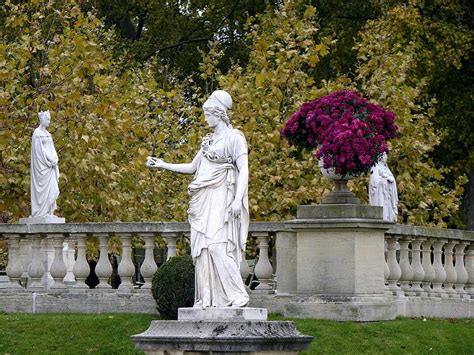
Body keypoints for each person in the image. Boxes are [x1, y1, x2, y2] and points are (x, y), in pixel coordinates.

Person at [146, 90, 249, 308]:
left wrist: (238, 200)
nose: (205, 119)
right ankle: (208, 299)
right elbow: (192, 168)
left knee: (217, 246)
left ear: (218, 113)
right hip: (203, 198)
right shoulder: (208, 142)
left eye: (207, 114)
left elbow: (244, 170)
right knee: (203, 250)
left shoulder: (234, 138)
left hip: (222, 195)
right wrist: (163, 164)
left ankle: (237, 294)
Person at [30, 110, 60, 218]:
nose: (49, 122)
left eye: (49, 120)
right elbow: (39, 152)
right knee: (42, 190)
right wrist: (49, 160)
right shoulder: (37, 134)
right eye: (47, 119)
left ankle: (49, 212)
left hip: (51, 166)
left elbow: (52, 148)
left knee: (52, 188)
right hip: (43, 167)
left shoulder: (48, 134)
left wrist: (55, 159)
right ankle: (41, 213)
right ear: (41, 120)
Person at [369, 152, 398, 222]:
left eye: (386, 156)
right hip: (380, 194)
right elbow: (374, 181)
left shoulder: (386, 168)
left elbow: (392, 179)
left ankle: (389, 218)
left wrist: (391, 180)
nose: (386, 158)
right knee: (382, 208)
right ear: (380, 157)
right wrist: (385, 180)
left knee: (387, 208)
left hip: (387, 194)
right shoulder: (376, 167)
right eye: (384, 156)